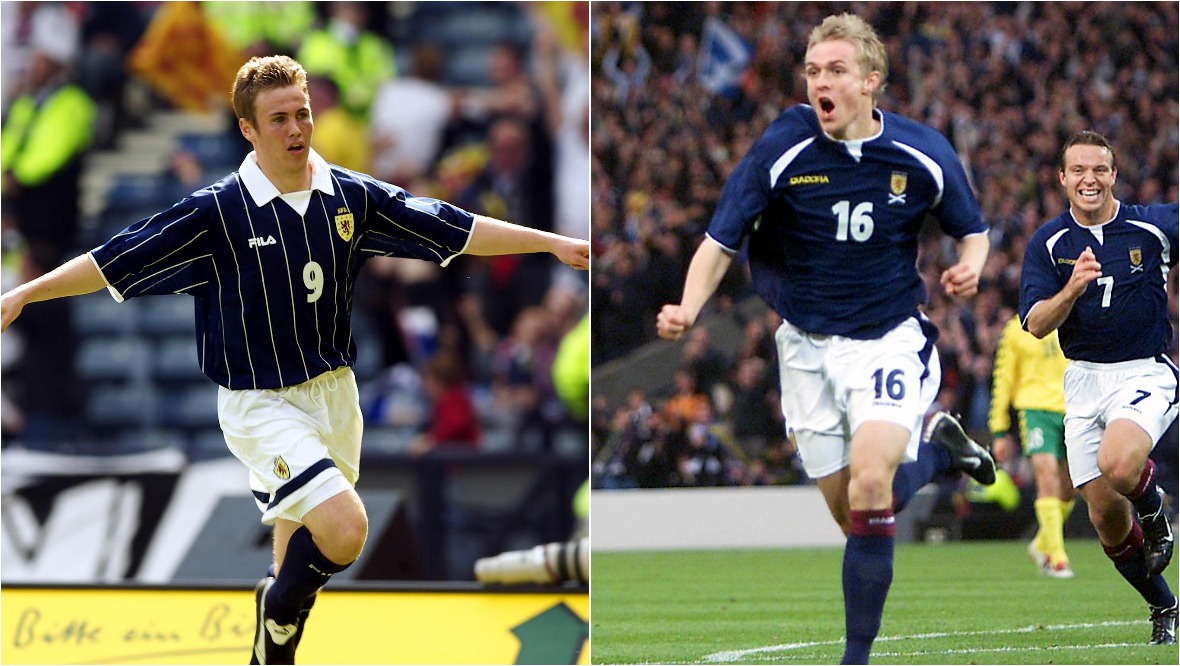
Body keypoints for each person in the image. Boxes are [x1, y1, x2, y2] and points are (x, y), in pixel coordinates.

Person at [0, 55, 589, 665]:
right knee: (345, 528)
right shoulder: (220, 210)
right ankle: (273, 612)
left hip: (336, 396)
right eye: (277, 118)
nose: (294, 129)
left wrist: (552, 244)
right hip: (261, 403)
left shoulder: (348, 196)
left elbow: (450, 226)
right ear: (249, 131)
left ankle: (271, 645)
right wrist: (24, 292)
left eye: (302, 113)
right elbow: (113, 258)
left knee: (292, 571)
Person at [656, 14, 996, 664]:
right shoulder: (782, 146)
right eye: (813, 71)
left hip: (887, 338)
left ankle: (855, 659)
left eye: (836, 70)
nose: (821, 83)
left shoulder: (923, 152)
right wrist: (688, 306)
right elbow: (719, 241)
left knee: (871, 485)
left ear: (872, 81)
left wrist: (972, 268)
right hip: (805, 347)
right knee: (857, 515)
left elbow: (973, 229)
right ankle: (942, 454)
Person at [1020, 130, 1177, 645]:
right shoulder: (1048, 243)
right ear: (1062, 178)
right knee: (1106, 519)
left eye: (1100, 170)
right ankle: (1164, 605)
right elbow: (1037, 323)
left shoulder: (1151, 227)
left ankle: (1157, 514)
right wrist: (1071, 288)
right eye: (1079, 171)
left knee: (1119, 461)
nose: (1090, 179)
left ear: (1114, 175)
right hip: (1083, 381)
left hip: (1144, 372)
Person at [988, 314, 1076, 578]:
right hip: (1034, 410)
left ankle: (1040, 544)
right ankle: (1056, 557)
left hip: (1073, 407)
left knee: (1070, 487)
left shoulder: (1073, 319)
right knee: (1046, 475)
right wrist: (999, 428)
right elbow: (1003, 377)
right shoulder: (1016, 329)